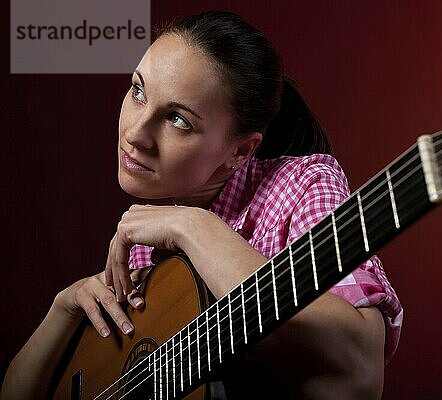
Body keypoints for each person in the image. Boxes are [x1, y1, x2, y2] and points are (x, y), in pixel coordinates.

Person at [1, 11, 402, 400]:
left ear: (240, 151)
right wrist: (64, 310)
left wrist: (192, 227)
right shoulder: (146, 245)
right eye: (138, 90)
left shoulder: (303, 184)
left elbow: (361, 370)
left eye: (178, 119)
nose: (136, 133)